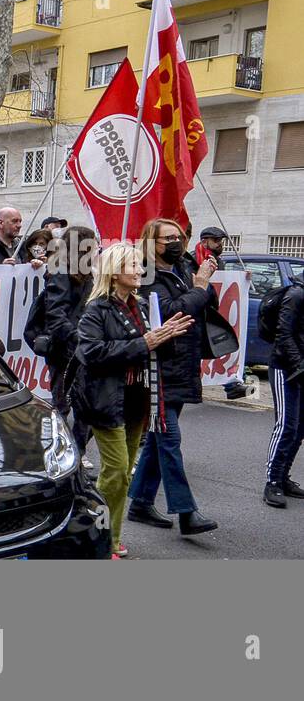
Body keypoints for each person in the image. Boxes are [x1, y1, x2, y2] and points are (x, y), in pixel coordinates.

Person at [75, 243, 194, 558]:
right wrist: (145, 341)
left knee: (124, 472)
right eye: (133, 266)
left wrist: (166, 336)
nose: (140, 270)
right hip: (106, 400)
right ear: (114, 273)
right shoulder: (96, 309)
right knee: (115, 471)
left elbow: (151, 350)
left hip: (138, 399)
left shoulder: (141, 306)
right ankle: (93, 534)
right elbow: (90, 353)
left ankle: (110, 537)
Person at [126, 217, 231, 536]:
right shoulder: (145, 274)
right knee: (169, 439)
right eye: (167, 239)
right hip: (159, 368)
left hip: (184, 364)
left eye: (179, 237)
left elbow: (205, 304)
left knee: (159, 440)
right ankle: (186, 511)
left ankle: (141, 503)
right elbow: (171, 312)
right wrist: (199, 286)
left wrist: (203, 282)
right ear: (150, 243)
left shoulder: (185, 266)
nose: (176, 243)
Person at [41, 225, 97, 453]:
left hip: (82, 345)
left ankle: (76, 449)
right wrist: (76, 339)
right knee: (62, 404)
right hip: (65, 348)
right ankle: (60, 451)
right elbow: (55, 313)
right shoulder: (60, 271)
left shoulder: (85, 272)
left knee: (86, 405)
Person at [263, 270, 304, 507]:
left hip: (300, 368)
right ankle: (272, 482)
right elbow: (283, 334)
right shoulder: (296, 294)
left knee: (300, 427)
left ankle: (283, 477)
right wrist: (299, 364)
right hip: (284, 368)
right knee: (286, 426)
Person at [194, 225, 249, 399]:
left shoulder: (219, 261)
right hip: (197, 311)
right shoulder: (192, 259)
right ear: (204, 241)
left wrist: (244, 279)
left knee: (222, 345)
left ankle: (232, 384)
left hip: (212, 311)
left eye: (221, 241)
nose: (220, 244)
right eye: (216, 241)